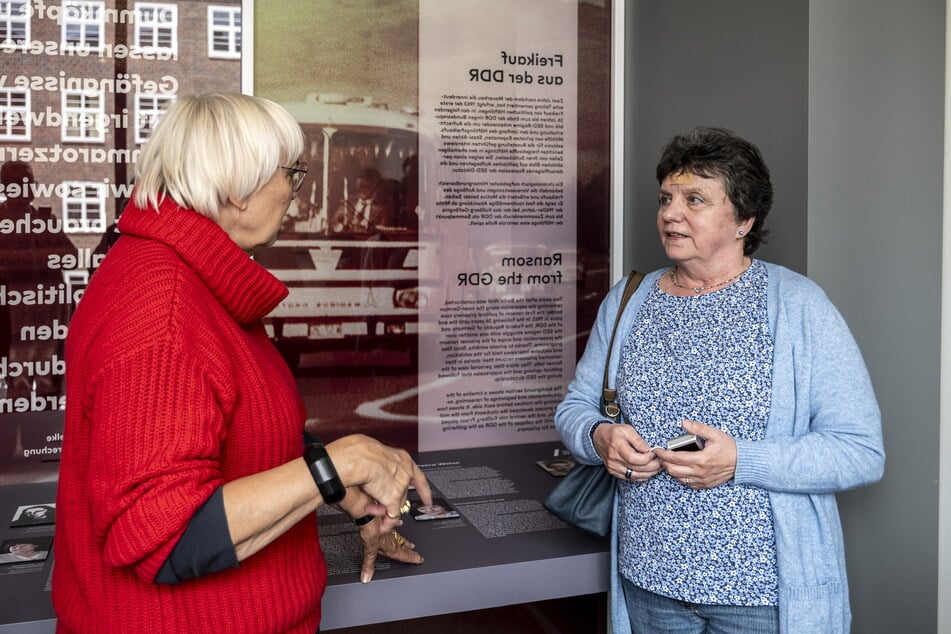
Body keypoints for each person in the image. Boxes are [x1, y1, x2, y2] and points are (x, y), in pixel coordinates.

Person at [52, 93, 433, 634]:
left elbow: (233, 438)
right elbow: (166, 537)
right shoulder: (164, 309)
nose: (294, 198)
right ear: (237, 188)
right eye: (292, 176)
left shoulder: (178, 277)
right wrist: (337, 463)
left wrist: (350, 497)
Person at [554, 127, 885, 634]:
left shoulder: (798, 305)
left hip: (762, 596)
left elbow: (859, 450)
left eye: (695, 199)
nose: (670, 212)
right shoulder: (629, 299)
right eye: (666, 197)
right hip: (648, 583)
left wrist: (740, 462)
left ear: (744, 221)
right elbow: (576, 406)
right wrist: (599, 437)